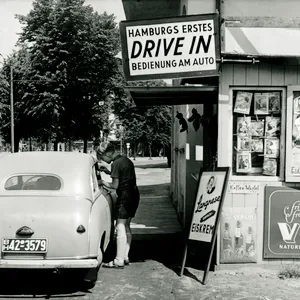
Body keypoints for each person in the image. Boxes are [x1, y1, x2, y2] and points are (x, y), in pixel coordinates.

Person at [96, 141, 140, 269]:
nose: (102, 160)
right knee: (126, 226)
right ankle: (125, 256)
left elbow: (114, 186)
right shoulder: (126, 160)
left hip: (124, 196)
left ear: (109, 153)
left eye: (102, 157)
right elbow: (124, 176)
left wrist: (101, 181)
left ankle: (118, 260)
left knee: (119, 226)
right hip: (134, 194)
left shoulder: (115, 163)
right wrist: (109, 172)